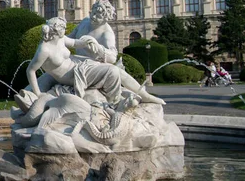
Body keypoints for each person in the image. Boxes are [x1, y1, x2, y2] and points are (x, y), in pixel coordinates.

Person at [19, 17, 164, 111]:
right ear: (55, 30)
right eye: (62, 28)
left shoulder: (60, 39)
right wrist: (38, 93)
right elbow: (31, 70)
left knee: (115, 70)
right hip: (72, 75)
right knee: (111, 71)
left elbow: (75, 42)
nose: (65, 30)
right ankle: (114, 104)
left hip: (77, 64)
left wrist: (88, 41)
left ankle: (143, 94)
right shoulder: (44, 49)